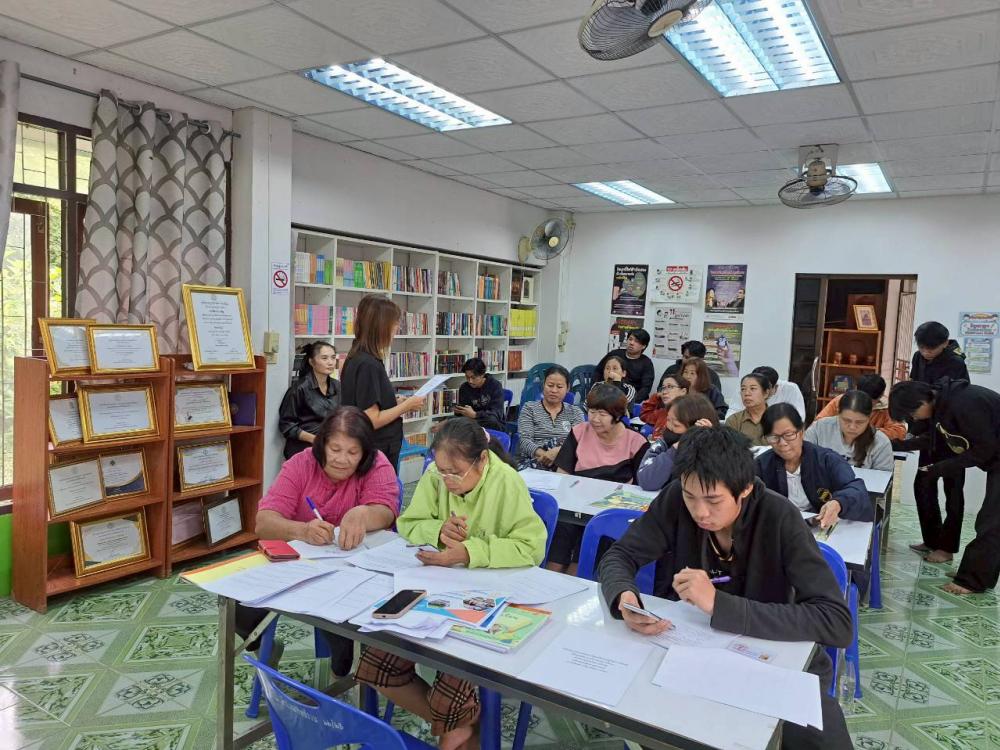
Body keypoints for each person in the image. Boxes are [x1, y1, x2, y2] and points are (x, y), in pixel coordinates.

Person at [598, 427, 853, 750]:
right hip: (693, 654)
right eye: (691, 497)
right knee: (654, 720)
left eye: (713, 500)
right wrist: (624, 595)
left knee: (817, 737)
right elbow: (620, 555)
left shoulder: (779, 517)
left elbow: (835, 622)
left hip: (771, 660)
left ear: (745, 488)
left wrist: (719, 604)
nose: (700, 512)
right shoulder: (677, 498)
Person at [355, 418, 546, 750]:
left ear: (481, 460)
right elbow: (409, 523)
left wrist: (470, 552)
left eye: (455, 473)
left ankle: (456, 725)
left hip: (488, 601)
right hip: (436, 591)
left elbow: (531, 548)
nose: (447, 480)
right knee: (375, 667)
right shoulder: (436, 475)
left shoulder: (506, 482)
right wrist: (438, 530)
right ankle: (464, 724)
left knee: (449, 696)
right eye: (442, 471)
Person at [239, 407, 399, 676]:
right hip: (300, 568)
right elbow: (263, 523)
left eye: (353, 452)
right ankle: (263, 646)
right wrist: (302, 530)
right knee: (239, 607)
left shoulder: (377, 464)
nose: (342, 460)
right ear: (321, 444)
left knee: (340, 620)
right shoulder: (301, 464)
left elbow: (386, 512)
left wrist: (363, 513)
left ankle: (341, 674)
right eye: (335, 449)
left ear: (365, 453)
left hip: (354, 572)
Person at [890, 379, 1000, 591]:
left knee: (991, 522)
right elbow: (936, 440)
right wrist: (896, 445)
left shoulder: (964, 404)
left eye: (911, 414)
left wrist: (940, 468)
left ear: (922, 402)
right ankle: (979, 575)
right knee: (992, 521)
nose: (914, 419)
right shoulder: (944, 404)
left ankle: (971, 582)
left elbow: (983, 450)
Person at [547, 383, 650, 573]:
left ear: (617, 415)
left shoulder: (636, 442)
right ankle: (550, 579)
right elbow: (563, 473)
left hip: (609, 512)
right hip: (575, 505)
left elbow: (641, 488)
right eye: (592, 412)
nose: (594, 419)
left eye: (602, 414)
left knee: (589, 544)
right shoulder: (579, 431)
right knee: (560, 534)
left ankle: (575, 581)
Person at [904, 321, 970, 562]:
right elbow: (914, 389)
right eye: (921, 347)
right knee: (923, 485)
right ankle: (931, 540)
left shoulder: (956, 362)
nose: (925, 352)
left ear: (944, 343)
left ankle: (947, 548)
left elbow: (957, 399)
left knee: (953, 492)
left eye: (930, 348)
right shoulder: (918, 357)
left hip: (953, 436)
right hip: (928, 433)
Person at [339, 295, 426, 468]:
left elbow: (365, 403)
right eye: (394, 323)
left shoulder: (357, 356)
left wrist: (393, 402)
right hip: (377, 448)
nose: (397, 328)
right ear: (381, 326)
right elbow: (372, 419)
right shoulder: (368, 364)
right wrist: (406, 406)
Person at [756, 403, 873, 527]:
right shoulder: (762, 465)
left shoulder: (826, 460)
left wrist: (838, 503)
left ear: (801, 432)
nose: (782, 443)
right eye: (774, 437)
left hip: (823, 526)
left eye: (789, 435)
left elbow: (856, 489)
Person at [636, 393, 718, 491]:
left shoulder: (716, 447)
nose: (669, 427)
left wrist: (708, 440)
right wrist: (677, 448)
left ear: (693, 428)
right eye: (668, 420)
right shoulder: (663, 444)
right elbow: (646, 481)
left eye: (676, 425)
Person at [277, 341, 340, 459]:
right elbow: (286, 425)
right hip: (302, 449)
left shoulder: (337, 386)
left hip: (328, 447)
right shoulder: (299, 388)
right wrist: (315, 439)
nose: (330, 362)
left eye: (333, 357)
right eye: (324, 358)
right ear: (312, 362)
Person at [516, 365, 585, 470]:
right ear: (543, 385)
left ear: (568, 388)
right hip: (533, 459)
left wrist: (556, 453)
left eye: (559, 387)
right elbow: (525, 441)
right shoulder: (529, 408)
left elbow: (578, 442)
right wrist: (546, 456)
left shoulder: (575, 412)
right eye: (550, 385)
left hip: (564, 462)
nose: (554, 390)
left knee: (564, 444)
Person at [805, 390, 894, 471]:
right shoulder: (819, 429)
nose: (852, 427)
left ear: (869, 417)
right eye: (846, 420)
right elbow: (803, 461)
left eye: (860, 422)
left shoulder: (881, 443)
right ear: (838, 413)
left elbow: (883, 478)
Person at [816, 374, 906, 441]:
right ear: (855, 389)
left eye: (870, 402)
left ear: (880, 396)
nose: (864, 404)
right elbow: (818, 424)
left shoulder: (887, 407)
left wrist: (869, 432)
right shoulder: (841, 401)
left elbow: (900, 432)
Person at [595, 329, 655, 401]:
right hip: (609, 395)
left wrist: (631, 401)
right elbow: (598, 371)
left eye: (636, 341)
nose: (631, 343)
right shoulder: (614, 354)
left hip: (633, 399)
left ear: (643, 346)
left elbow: (645, 388)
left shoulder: (647, 363)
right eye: (630, 339)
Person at [454, 357, 506, 431]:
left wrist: (475, 415)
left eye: (473, 377)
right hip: (471, 421)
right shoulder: (464, 387)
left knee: (492, 420)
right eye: (467, 377)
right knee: (452, 422)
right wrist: (459, 411)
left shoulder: (495, 386)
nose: (470, 381)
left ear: (482, 375)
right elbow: (463, 414)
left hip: (491, 423)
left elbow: (496, 413)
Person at [638, 372, 689, 442]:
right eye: (663, 388)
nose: (664, 392)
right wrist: (655, 396)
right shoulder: (662, 412)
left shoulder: (689, 415)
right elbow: (644, 415)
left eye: (670, 387)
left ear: (683, 391)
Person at [724, 373, 769, 446]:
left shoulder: (778, 418)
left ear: (766, 393)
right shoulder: (734, 420)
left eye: (753, 388)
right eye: (743, 389)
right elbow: (729, 448)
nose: (746, 393)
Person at [681, 357, 728, 421]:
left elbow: (721, 412)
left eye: (692, 373)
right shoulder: (679, 388)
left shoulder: (712, 390)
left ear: (701, 376)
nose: (687, 376)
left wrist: (705, 418)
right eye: (685, 372)